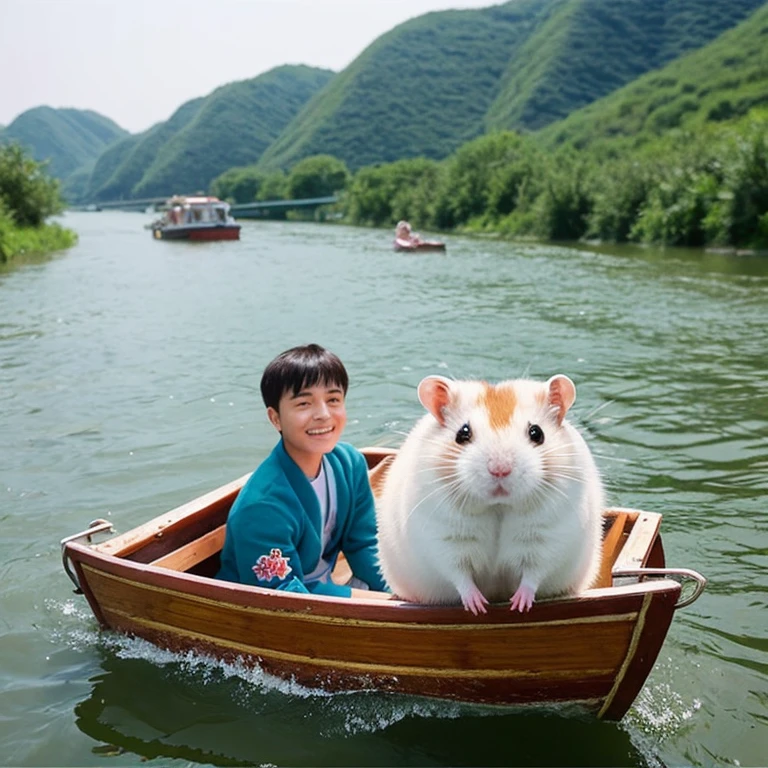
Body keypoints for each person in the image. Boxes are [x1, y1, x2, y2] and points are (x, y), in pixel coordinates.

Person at [217, 343, 389, 597]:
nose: (323, 414)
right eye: (304, 404)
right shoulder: (262, 505)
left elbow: (365, 543)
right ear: (275, 418)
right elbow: (282, 595)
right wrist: (381, 603)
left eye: (333, 400)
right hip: (272, 610)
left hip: (326, 591)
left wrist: (396, 592)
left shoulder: (350, 464)